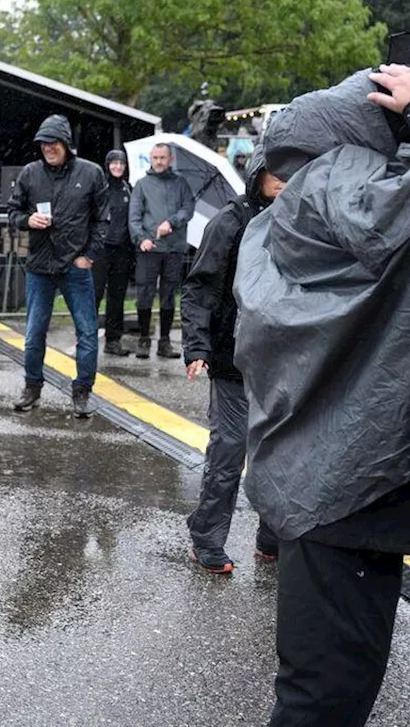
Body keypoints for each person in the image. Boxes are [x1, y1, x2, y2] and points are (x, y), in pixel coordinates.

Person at [234, 62, 410, 727]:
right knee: (325, 698)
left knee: (321, 690)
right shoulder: (366, 192)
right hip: (365, 481)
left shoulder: (281, 214)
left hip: (317, 479)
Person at [180, 147, 285, 574]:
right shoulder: (231, 220)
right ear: (257, 174)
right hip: (231, 358)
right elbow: (200, 287)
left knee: (277, 452)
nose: (284, 180)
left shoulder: (297, 218)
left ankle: (272, 537)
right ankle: (206, 538)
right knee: (229, 452)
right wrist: (197, 348)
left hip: (278, 360)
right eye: (276, 172)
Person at [4, 114, 108, 418]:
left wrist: (89, 255)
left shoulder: (91, 173)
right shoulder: (30, 173)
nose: (48, 148)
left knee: (87, 333)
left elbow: (102, 219)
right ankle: (32, 388)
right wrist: (27, 220)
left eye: (53, 142)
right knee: (34, 332)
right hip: (39, 266)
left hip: (76, 266)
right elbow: (12, 212)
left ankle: (82, 392)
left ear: (66, 143)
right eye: (43, 143)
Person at [128, 143, 194, 360]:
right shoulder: (142, 185)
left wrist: (172, 223)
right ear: (150, 159)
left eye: (162, 157)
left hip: (174, 248)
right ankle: (144, 339)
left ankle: (164, 341)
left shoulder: (181, 183)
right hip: (150, 248)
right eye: (155, 157)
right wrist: (141, 239)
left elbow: (188, 208)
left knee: (168, 295)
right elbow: (134, 216)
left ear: (170, 159)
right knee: (144, 294)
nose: (158, 161)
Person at [92, 149, 135, 356]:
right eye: (114, 163)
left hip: (123, 249)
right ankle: (87, 335)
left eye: (121, 164)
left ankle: (113, 339)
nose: (118, 167)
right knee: (95, 293)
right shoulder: (100, 188)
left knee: (117, 296)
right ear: (107, 165)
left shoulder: (129, 189)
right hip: (101, 248)